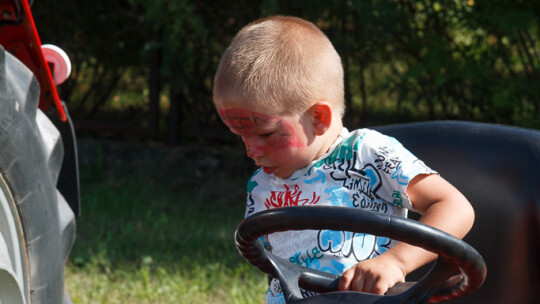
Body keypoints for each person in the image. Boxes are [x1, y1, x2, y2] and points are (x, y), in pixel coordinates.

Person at [212, 15, 475, 302]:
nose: (251, 150)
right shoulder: (263, 184)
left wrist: (396, 261)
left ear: (319, 117)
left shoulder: (368, 153)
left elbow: (455, 207)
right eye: (241, 135)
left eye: (265, 134)